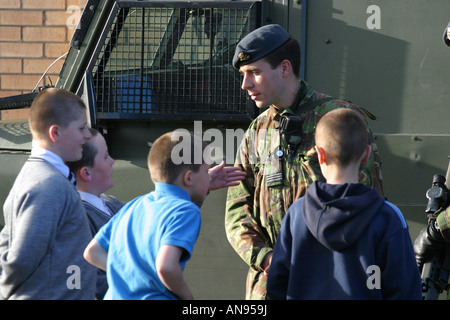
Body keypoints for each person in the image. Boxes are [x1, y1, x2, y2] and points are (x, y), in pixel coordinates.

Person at [225, 24, 383, 299]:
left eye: (254, 73)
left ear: (285, 68)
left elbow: (368, 200)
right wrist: (266, 258)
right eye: (243, 75)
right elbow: (237, 210)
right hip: (271, 284)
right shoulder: (256, 132)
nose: (245, 84)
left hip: (331, 281)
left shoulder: (339, 118)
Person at [70, 129, 245, 299]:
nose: (209, 176)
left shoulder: (134, 205)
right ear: (189, 178)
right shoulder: (187, 210)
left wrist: (132, 273)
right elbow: (166, 267)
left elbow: (92, 252)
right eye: (205, 170)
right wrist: (186, 297)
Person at [267, 108, 421, 300]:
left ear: (319, 155)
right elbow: (405, 291)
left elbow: (276, 287)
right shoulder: (388, 217)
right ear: (366, 155)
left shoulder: (296, 214)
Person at [0, 88, 96, 300]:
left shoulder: (44, 178)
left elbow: (6, 242)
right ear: (55, 133)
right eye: (81, 128)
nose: (87, 135)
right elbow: (22, 258)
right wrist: (6, 292)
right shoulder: (48, 185)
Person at [67, 128, 124, 299]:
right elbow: (90, 282)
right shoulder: (79, 218)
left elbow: (153, 217)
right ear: (86, 173)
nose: (112, 161)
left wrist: (198, 189)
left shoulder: (109, 202)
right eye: (106, 156)